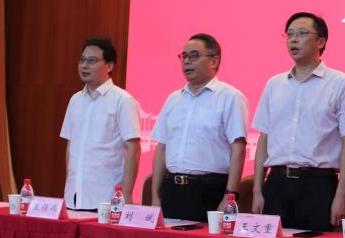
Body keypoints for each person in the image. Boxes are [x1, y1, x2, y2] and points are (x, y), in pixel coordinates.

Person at [251, 12, 345, 231]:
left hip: (318, 185)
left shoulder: (340, 83)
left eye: (301, 34)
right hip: (277, 183)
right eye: (289, 34)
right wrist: (257, 191)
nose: (293, 39)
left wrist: (341, 195)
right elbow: (264, 138)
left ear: (321, 42)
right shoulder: (274, 84)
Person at [150, 33, 248, 221]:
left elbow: (238, 149)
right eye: (184, 56)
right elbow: (162, 148)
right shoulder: (173, 99)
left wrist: (229, 196)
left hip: (210, 190)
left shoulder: (230, 97)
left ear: (214, 61)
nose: (187, 61)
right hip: (172, 189)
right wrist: (155, 196)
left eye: (194, 56)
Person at [60, 37, 141, 211]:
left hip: (107, 199)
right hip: (74, 197)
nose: (84, 65)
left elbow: (133, 149)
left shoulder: (122, 100)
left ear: (109, 66)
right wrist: (69, 184)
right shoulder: (75, 100)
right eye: (82, 60)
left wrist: (127, 194)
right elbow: (70, 146)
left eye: (91, 61)